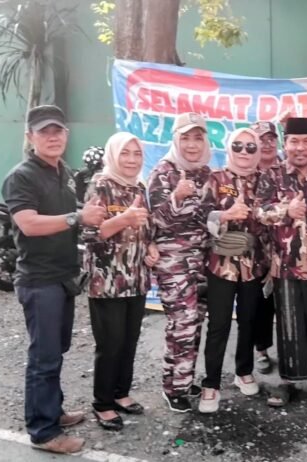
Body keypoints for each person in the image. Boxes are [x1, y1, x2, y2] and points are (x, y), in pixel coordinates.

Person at [1, 105, 106, 454]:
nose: (52, 137)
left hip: (63, 276)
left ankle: (53, 410)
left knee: (56, 351)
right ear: (30, 137)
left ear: (66, 135)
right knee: (43, 357)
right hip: (39, 280)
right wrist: (78, 217)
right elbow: (29, 223)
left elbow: (70, 219)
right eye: (44, 131)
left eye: (57, 130)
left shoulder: (64, 172)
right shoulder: (22, 176)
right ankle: (43, 431)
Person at [256, 117, 307, 407]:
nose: (300, 147)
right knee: (288, 323)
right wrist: (286, 211)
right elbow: (259, 212)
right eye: (294, 141)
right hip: (285, 264)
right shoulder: (273, 175)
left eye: (306, 141)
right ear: (285, 143)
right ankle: (289, 381)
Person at [82, 132, 159, 430]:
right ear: (113, 155)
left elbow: (146, 230)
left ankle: (121, 393)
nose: (131, 159)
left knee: (129, 341)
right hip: (107, 282)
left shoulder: (139, 186)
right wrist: (123, 219)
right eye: (125, 153)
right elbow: (89, 235)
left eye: (137, 153)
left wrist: (151, 248)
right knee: (110, 344)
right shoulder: (100, 186)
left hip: (136, 279)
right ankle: (102, 403)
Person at [196, 127, 267, 413]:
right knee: (219, 324)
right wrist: (224, 216)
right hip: (221, 266)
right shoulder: (215, 178)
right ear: (229, 148)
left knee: (249, 321)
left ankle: (243, 371)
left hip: (253, 265)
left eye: (251, 147)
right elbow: (200, 216)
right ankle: (211, 383)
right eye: (238, 145)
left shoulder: (265, 180)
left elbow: (272, 218)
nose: (244, 152)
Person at [148, 112, 212, 412]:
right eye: (185, 138)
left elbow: (208, 216)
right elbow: (155, 220)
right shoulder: (163, 172)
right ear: (175, 140)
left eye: (198, 138)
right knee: (182, 323)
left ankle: (183, 380)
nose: (192, 144)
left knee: (195, 322)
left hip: (201, 260)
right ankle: (173, 387)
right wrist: (176, 196)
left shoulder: (205, 173)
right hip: (173, 263)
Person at [251, 121, 281, 374]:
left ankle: (292, 352)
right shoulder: (246, 171)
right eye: (262, 139)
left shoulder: (287, 169)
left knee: (289, 305)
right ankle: (261, 350)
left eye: (271, 138)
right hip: (257, 250)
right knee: (261, 303)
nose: (267, 144)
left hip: (287, 249)